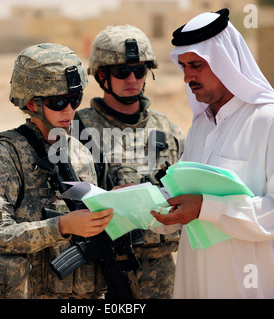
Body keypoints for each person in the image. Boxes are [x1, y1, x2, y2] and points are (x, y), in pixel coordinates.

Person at [151, 8, 274, 298]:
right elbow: (182, 196)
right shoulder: (201, 127)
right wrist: (141, 200)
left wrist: (206, 208)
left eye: (196, 65)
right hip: (200, 278)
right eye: (183, 66)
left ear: (225, 61)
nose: (186, 77)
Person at [0, 43, 114, 299]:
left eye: (74, 99)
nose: (69, 110)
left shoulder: (80, 153)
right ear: (32, 102)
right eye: (58, 102)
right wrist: (59, 226)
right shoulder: (6, 153)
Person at [75, 25, 186, 299]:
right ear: (102, 75)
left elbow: (187, 192)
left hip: (160, 268)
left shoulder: (168, 129)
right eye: (122, 72)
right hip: (101, 270)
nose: (132, 79)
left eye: (140, 71)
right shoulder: (77, 129)